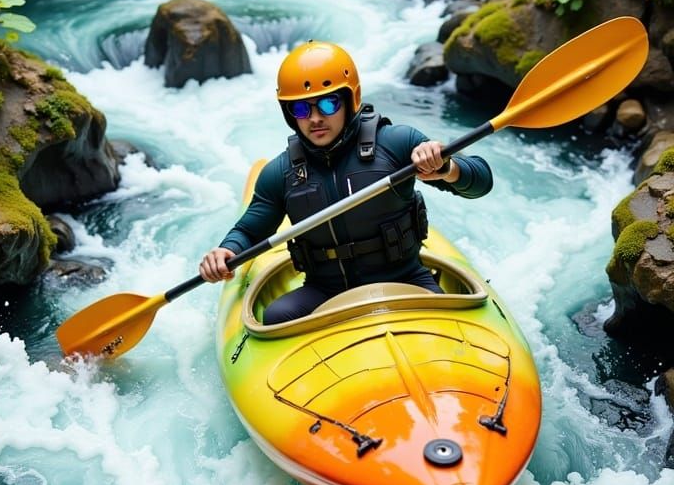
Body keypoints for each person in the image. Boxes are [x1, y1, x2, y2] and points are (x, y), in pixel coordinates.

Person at [199, 40, 493, 324]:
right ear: (289, 114)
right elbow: (249, 230)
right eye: (301, 109)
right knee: (275, 316)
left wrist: (447, 168)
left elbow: (481, 180)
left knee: (448, 322)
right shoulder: (281, 173)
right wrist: (227, 250)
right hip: (325, 291)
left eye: (328, 104)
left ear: (350, 99)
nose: (315, 118)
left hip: (405, 279)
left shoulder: (396, 143)